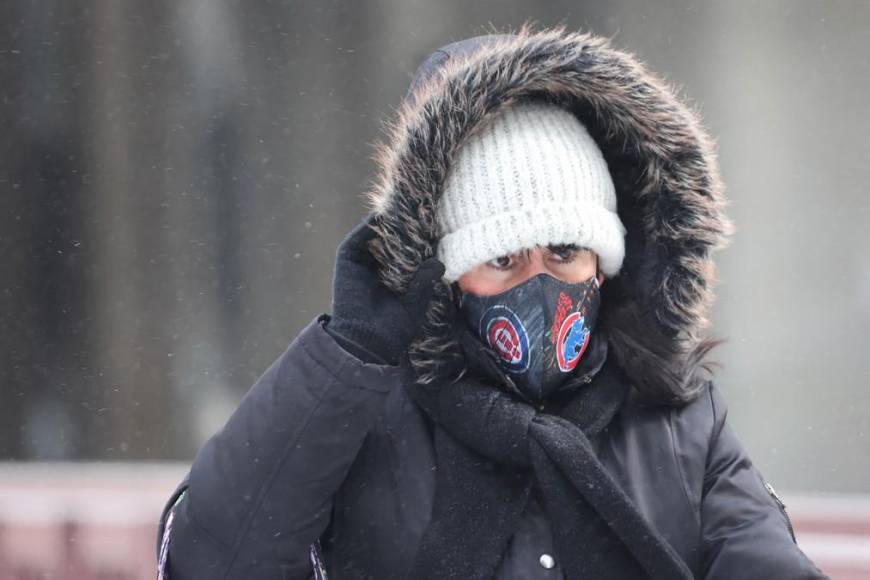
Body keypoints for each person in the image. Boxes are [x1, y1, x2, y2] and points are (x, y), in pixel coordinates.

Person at [155, 24, 829, 579]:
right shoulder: (365, 420)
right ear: (445, 274)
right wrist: (348, 355)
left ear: (607, 262)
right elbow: (208, 561)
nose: (540, 285)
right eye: (503, 259)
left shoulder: (678, 424)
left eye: (565, 252)